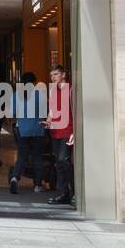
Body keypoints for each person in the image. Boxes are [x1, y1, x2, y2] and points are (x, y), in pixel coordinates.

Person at [8, 72, 46, 194]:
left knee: (22, 156)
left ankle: (14, 178)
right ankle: (38, 185)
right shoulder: (40, 95)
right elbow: (44, 113)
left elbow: (12, 112)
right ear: (34, 83)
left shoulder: (16, 95)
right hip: (37, 130)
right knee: (37, 158)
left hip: (22, 130)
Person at [47, 64, 75, 205]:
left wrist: (75, 132)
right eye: (51, 75)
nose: (53, 78)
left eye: (56, 74)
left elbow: (76, 112)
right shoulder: (53, 91)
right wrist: (48, 121)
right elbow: (52, 110)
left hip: (67, 130)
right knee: (58, 163)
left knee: (64, 160)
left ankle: (74, 191)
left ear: (63, 75)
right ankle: (64, 193)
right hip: (55, 131)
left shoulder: (71, 90)